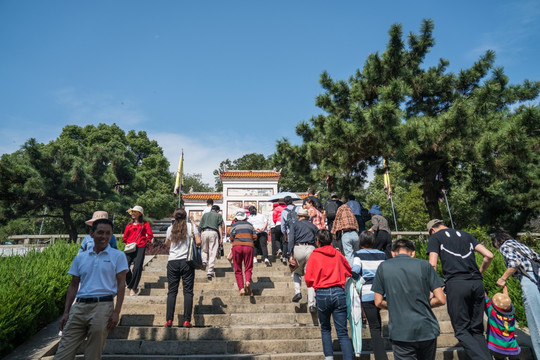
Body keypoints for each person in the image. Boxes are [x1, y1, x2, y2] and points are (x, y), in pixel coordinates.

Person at [54, 218, 128, 360]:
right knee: (63, 353)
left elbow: (121, 285)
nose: (104, 237)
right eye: (100, 232)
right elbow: (73, 285)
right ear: (91, 234)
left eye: (108, 233)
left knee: (93, 354)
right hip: (79, 306)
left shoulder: (118, 256)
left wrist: (116, 312)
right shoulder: (81, 258)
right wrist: (66, 312)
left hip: (103, 306)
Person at [427, 219, 493, 360]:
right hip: (477, 283)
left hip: (456, 283)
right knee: (477, 330)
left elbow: (432, 265)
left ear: (432, 229)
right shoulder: (467, 235)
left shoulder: (435, 237)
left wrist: (432, 288)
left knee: (461, 330)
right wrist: (479, 273)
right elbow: (489, 255)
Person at [372, 239, 446, 360]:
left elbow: (378, 301)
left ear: (393, 253)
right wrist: (423, 304)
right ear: (413, 253)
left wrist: (395, 305)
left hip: (401, 331)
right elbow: (441, 299)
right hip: (426, 328)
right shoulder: (425, 265)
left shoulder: (383, 267)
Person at [305, 229, 354, 360]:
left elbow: (308, 280)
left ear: (317, 241)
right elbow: (349, 270)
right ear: (331, 241)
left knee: (325, 329)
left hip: (322, 293)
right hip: (338, 292)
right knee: (342, 332)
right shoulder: (338, 254)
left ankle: (329, 357)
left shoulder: (314, 256)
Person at [491, 228, 539, 358]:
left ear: (496, 242)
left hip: (529, 281)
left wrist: (502, 279)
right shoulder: (522, 246)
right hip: (537, 279)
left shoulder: (505, 246)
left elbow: (514, 263)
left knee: (536, 324)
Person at [351, 231, 388, 360]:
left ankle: (381, 356)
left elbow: (355, 271)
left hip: (367, 293)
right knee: (378, 322)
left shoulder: (358, 254)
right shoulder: (382, 254)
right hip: (382, 292)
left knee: (374, 327)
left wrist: (359, 279)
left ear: (361, 242)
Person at [164, 208, 201, 328]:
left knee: (172, 292)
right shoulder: (191, 227)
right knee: (188, 292)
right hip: (187, 261)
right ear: (185, 216)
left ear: (175, 217)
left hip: (173, 261)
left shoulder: (170, 228)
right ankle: (186, 320)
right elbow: (199, 242)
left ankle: (169, 320)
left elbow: (167, 244)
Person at [288, 208, 318, 311]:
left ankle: (298, 292)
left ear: (298, 216)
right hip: (311, 249)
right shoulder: (313, 226)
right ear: (307, 217)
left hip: (298, 248)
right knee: (310, 277)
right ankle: (312, 304)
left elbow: (291, 239)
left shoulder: (295, 225)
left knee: (296, 272)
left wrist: (290, 254)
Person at [123, 205, 153, 297]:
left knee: (137, 267)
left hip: (140, 246)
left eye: (134, 212)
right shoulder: (129, 224)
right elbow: (125, 236)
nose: (132, 214)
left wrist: (146, 240)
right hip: (130, 246)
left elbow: (150, 235)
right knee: (125, 267)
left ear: (139, 214)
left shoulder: (145, 224)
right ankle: (130, 283)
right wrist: (128, 242)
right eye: (132, 212)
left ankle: (133, 288)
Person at [484, 287, 521, 359]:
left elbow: (485, 299)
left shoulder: (492, 313)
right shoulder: (512, 316)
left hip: (497, 346)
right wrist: (505, 287)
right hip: (512, 346)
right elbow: (506, 301)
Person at [229, 209, 257, 296]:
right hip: (248, 246)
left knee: (238, 268)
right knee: (248, 267)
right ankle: (248, 281)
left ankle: (241, 289)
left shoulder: (234, 225)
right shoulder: (250, 225)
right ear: (245, 218)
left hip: (237, 246)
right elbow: (255, 237)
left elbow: (231, 238)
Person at [198, 205, 223, 280]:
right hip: (213, 233)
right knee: (213, 252)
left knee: (204, 249)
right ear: (217, 210)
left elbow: (200, 226)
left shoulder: (205, 215)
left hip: (204, 232)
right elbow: (219, 227)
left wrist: (199, 235)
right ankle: (210, 271)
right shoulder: (218, 216)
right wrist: (221, 237)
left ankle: (204, 261)